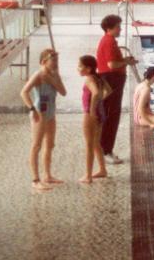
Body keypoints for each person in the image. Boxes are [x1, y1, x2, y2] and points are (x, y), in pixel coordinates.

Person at [20, 48, 68, 191]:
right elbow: (23, 92)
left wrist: (54, 78)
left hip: (51, 113)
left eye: (57, 60)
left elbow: (63, 92)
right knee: (36, 146)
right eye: (53, 60)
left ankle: (47, 175)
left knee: (50, 145)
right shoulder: (38, 75)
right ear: (43, 62)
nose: (56, 63)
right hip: (39, 112)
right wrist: (32, 109)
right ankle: (35, 180)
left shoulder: (54, 74)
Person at [95, 14, 136, 165]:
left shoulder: (109, 40)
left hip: (111, 81)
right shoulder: (109, 42)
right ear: (109, 28)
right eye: (118, 27)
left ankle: (106, 149)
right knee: (111, 116)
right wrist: (126, 62)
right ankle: (105, 151)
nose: (120, 29)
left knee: (111, 115)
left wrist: (124, 61)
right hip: (111, 81)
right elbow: (112, 65)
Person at [77, 55, 110, 184]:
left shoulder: (89, 79)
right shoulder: (99, 77)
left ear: (88, 68)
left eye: (80, 66)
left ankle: (88, 176)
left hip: (90, 114)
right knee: (96, 143)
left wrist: (91, 109)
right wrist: (99, 103)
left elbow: (95, 93)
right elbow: (108, 90)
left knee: (89, 144)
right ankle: (102, 170)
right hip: (100, 112)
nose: (78, 68)